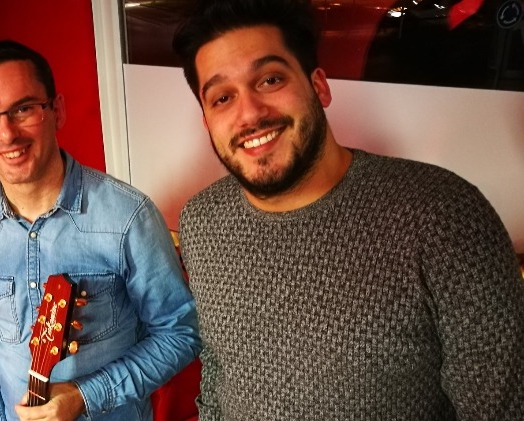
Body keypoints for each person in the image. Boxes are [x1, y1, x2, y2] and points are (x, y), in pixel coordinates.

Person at [171, 0, 524, 419]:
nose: (249, 113)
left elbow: (501, 408)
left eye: (270, 79)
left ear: (319, 86)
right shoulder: (202, 221)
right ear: (207, 121)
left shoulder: (443, 216)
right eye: (222, 97)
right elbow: (218, 371)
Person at [0, 40, 201, 421]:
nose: (7, 133)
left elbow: (180, 332)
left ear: (57, 111)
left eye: (23, 109)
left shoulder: (127, 217)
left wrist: (86, 395)